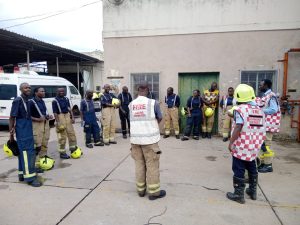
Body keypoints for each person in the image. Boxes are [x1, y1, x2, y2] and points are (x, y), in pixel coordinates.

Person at [226, 84, 266, 204]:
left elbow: (238, 126)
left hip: (242, 144)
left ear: (238, 96)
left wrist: (231, 142)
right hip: (255, 145)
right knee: (252, 165)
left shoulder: (240, 109)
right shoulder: (259, 110)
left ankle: (238, 194)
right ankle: (252, 191)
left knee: (238, 167)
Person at [129, 84, 166, 200]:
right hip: (150, 140)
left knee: (139, 165)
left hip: (135, 141)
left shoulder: (131, 104)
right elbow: (159, 117)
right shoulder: (152, 103)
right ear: (147, 91)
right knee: (152, 166)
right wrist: (152, 125)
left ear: (138, 91)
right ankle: (154, 193)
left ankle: (140, 191)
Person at [9, 83, 42, 187]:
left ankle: (22, 174)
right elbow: (11, 117)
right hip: (22, 129)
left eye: (29, 87)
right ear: (21, 89)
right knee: (27, 153)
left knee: (22, 153)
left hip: (27, 128)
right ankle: (30, 178)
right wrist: (11, 135)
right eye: (25, 87)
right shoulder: (18, 100)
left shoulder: (27, 100)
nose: (28, 89)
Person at [256, 79, 281, 173]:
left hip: (269, 124)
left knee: (266, 145)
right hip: (264, 125)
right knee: (262, 145)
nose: (259, 86)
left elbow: (273, 109)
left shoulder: (271, 96)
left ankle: (268, 165)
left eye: (261, 85)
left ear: (266, 85)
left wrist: (260, 111)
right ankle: (263, 163)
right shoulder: (266, 95)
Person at [29, 87, 53, 171]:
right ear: (36, 93)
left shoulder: (42, 101)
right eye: (41, 91)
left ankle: (43, 159)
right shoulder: (31, 102)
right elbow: (27, 116)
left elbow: (43, 113)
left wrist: (47, 116)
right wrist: (37, 119)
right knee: (37, 144)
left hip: (45, 123)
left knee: (44, 141)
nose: (44, 92)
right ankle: (35, 165)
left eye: (44, 91)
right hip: (36, 125)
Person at [52, 87, 79, 159]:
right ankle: (62, 153)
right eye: (60, 91)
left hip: (67, 116)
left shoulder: (66, 99)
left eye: (63, 91)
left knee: (71, 134)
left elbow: (69, 108)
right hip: (60, 116)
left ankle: (73, 150)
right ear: (57, 92)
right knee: (62, 136)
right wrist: (58, 122)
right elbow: (55, 113)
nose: (62, 92)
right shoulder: (54, 101)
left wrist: (72, 117)